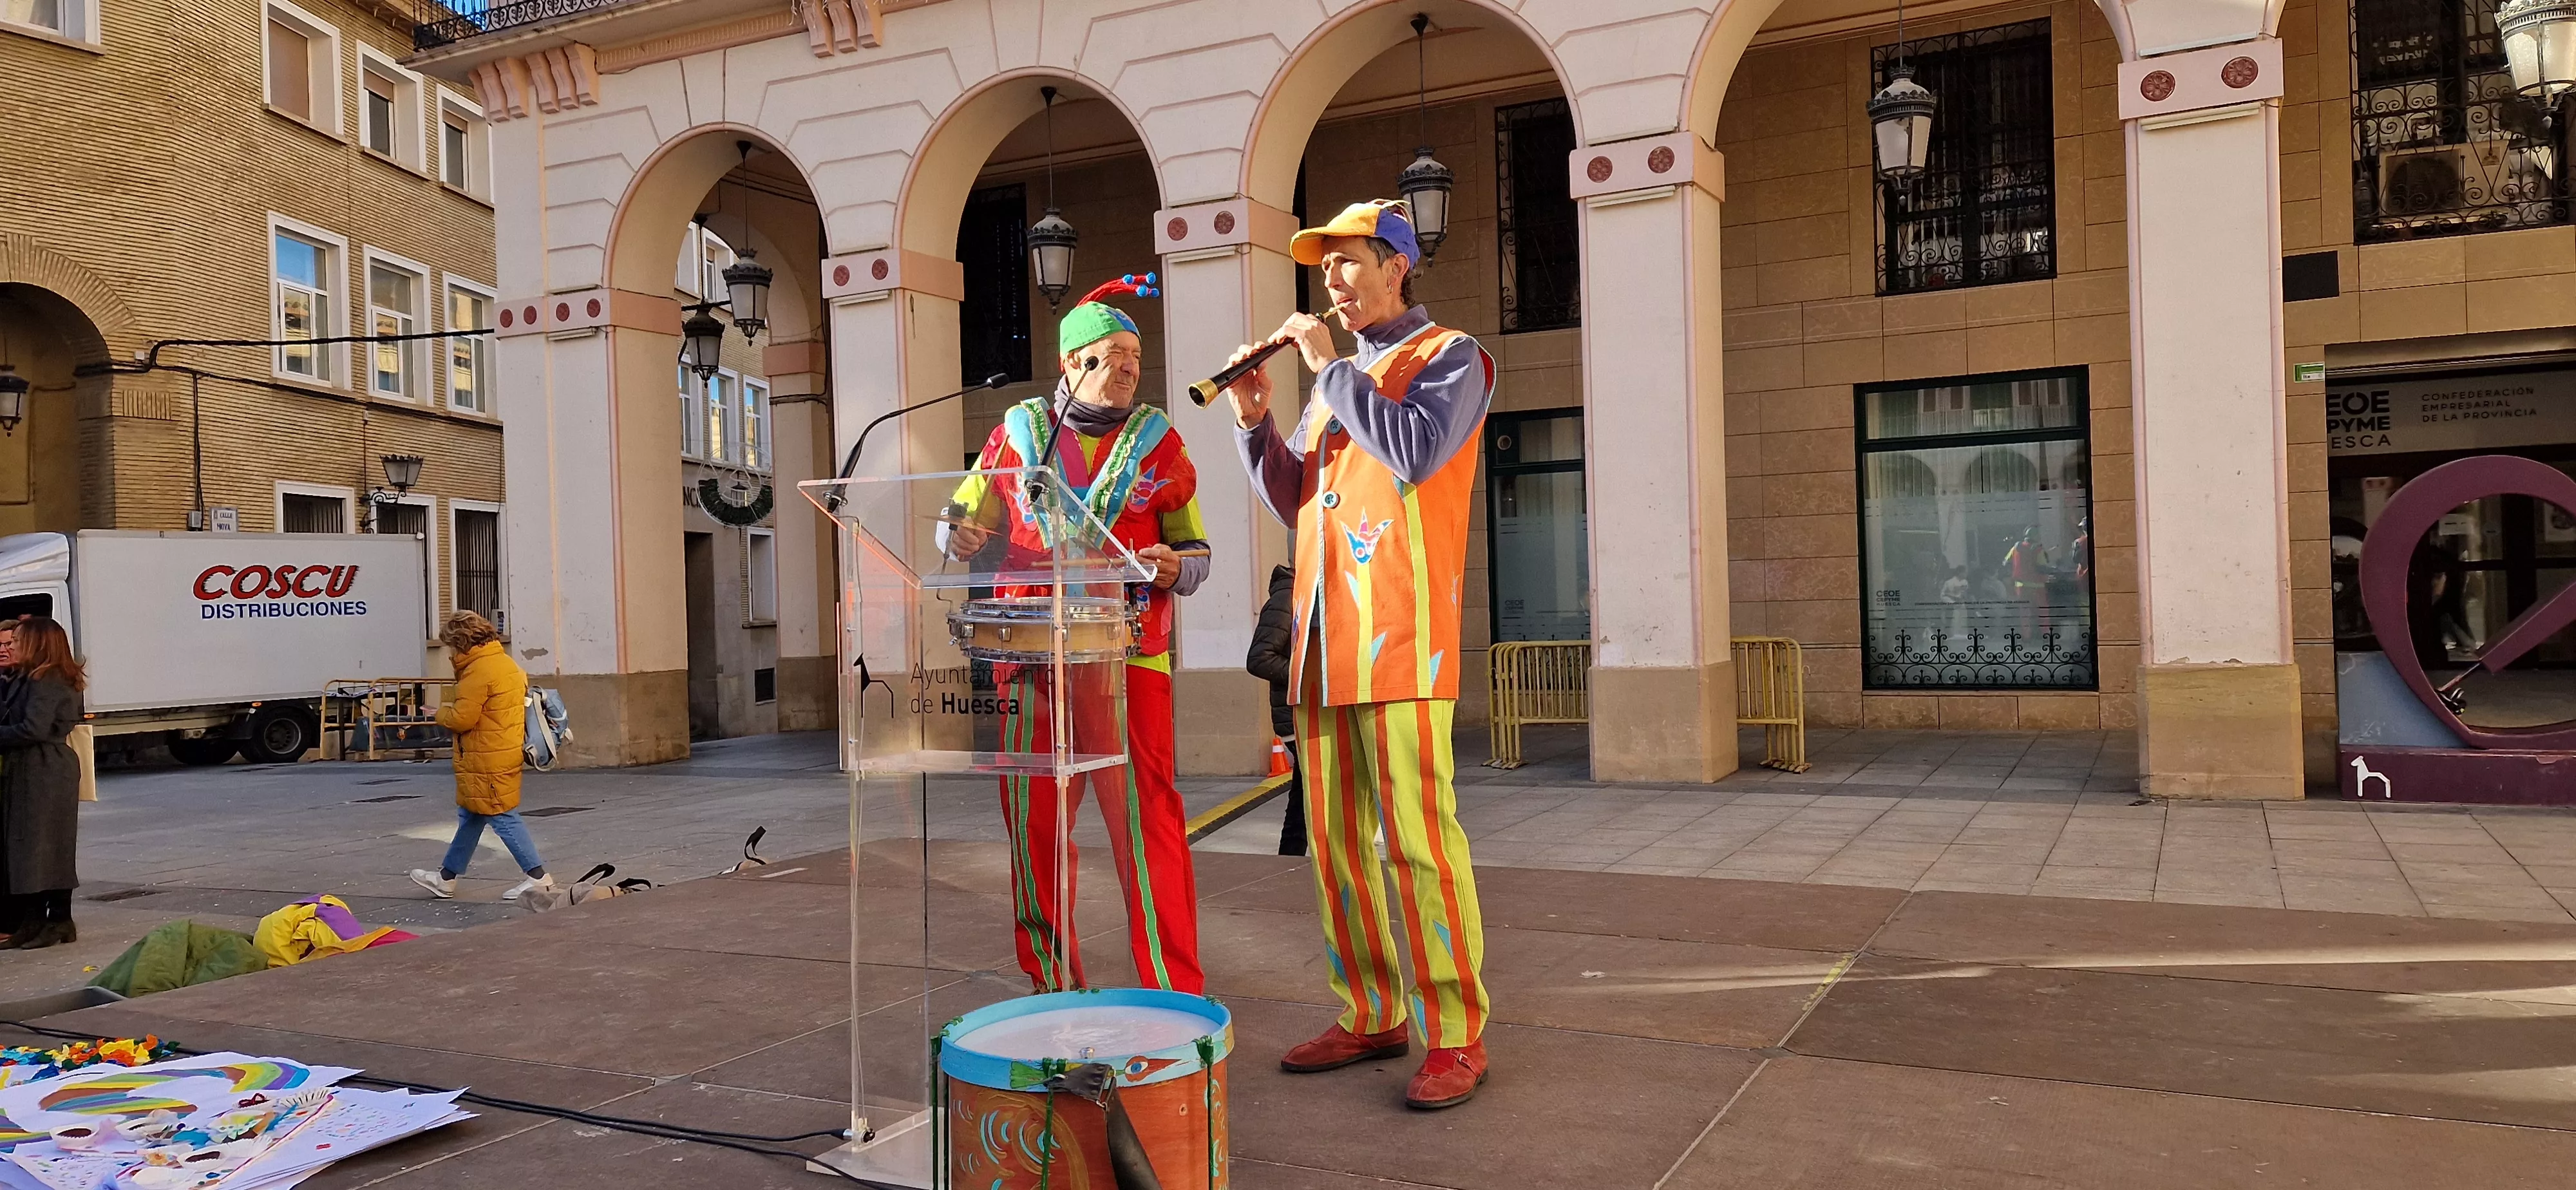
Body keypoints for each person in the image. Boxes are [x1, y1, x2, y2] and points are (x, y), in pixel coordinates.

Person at [1224, 198, 1497, 1110]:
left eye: (1347, 263)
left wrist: (1331, 374)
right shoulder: (1333, 380)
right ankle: (1372, 1010)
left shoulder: (1451, 356)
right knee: (1337, 849)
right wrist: (1258, 423)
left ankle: (1456, 1032)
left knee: (1420, 844)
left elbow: (1414, 450)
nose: (1332, 282)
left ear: (1397, 267)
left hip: (1402, 642)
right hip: (1319, 647)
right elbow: (1302, 493)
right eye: (1325, 267)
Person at [942, 273, 1210, 995]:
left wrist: (1173, 566)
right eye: (1112, 353)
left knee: (1148, 827)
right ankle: (1051, 987)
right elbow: (961, 521)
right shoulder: (1014, 436)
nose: (1128, 366)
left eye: (1134, 355)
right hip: (1030, 660)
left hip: (1130, 660)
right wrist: (960, 535)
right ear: (1071, 363)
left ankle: (1171, 991)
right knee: (1034, 830)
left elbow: (1197, 556)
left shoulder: (1161, 444)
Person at [410, 612, 553, 902]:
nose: (450, 651)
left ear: (461, 642)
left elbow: (463, 719)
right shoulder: (505, 663)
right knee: (472, 816)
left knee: (502, 816)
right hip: (501, 751)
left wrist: (438, 713)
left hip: (485, 758)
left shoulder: (478, 671)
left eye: (451, 644)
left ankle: (538, 877)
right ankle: (446, 878)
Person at [0, 617, 86, 950]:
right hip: (29, 766)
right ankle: (34, 920)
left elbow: (33, 729)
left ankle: (60, 919)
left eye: (19, 640)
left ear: (38, 643)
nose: (13, 646)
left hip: (45, 767)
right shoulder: (29, 677)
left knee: (48, 845)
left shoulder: (48, 679)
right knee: (27, 846)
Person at [1246, 562, 1307, 856]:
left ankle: (1289, 860)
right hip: (1296, 719)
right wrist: (1309, 677)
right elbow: (1259, 658)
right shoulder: (1288, 595)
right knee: (1311, 798)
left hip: (1306, 715)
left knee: (1304, 799)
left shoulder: (1308, 590)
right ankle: (1291, 859)